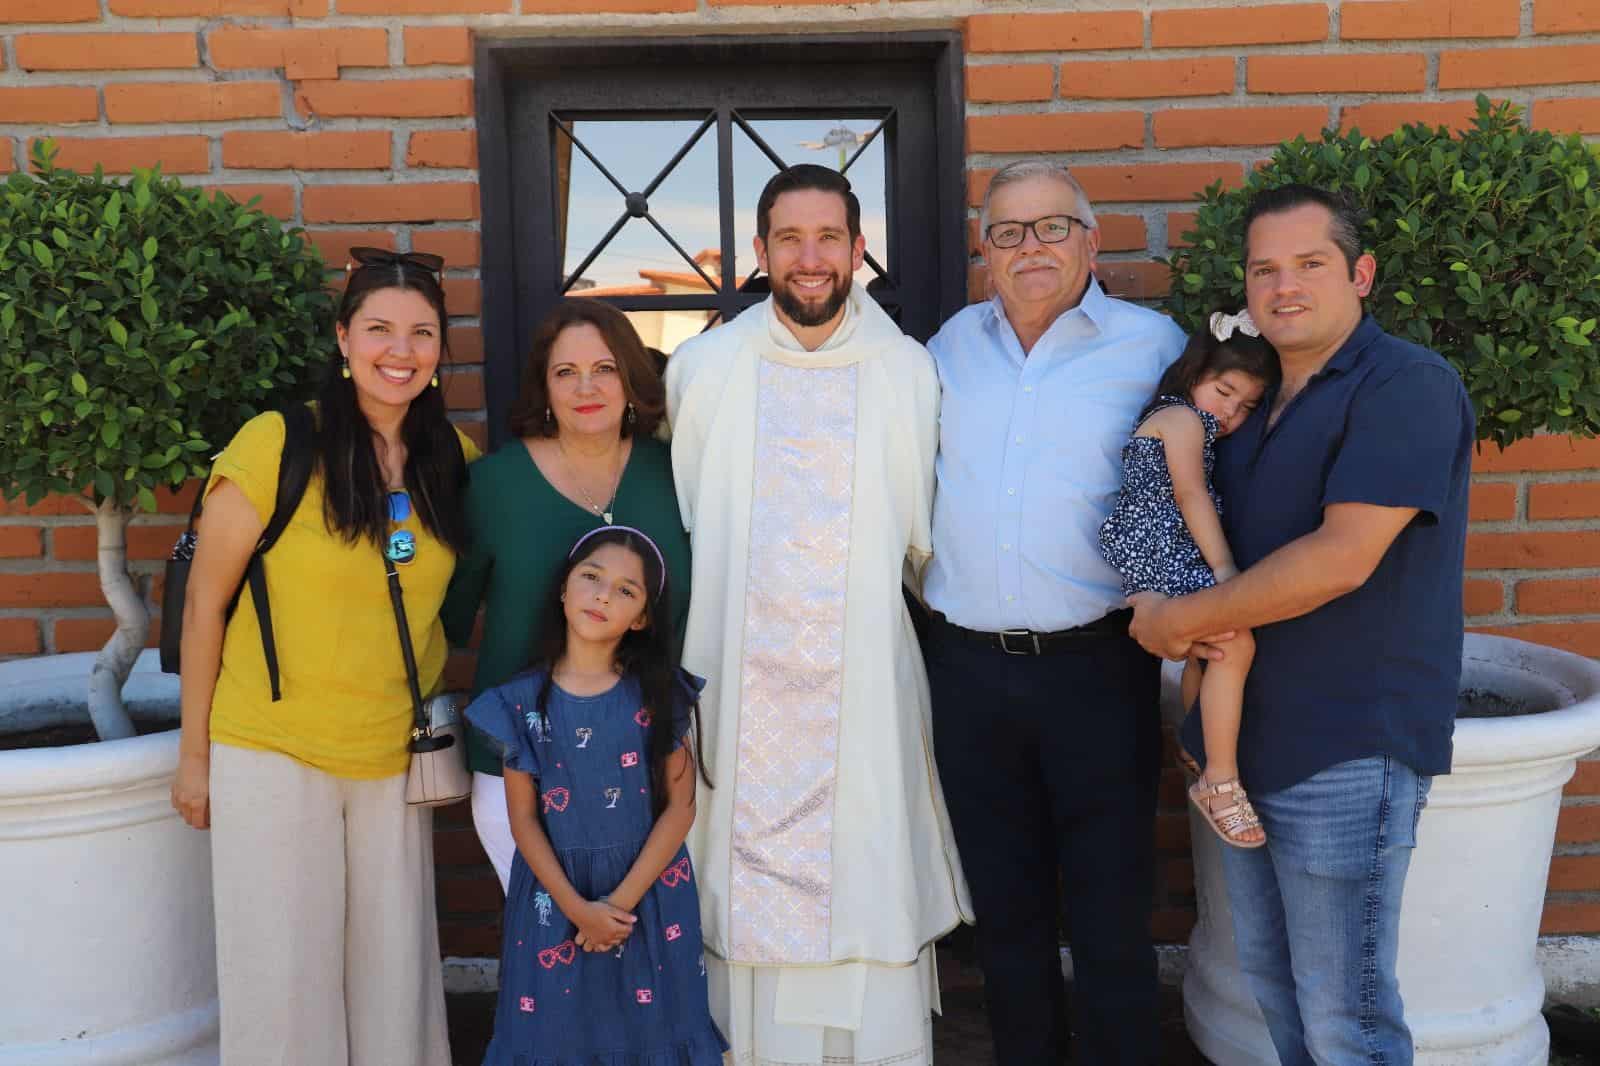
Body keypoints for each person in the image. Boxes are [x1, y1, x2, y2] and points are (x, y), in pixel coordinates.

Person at [1128, 184, 1474, 1065]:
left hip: (1349, 748)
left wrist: (1178, 624)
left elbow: (1341, 557)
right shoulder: (1247, 408)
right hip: (1246, 751)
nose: (1284, 287)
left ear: (1360, 273)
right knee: (1280, 997)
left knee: (1345, 1021)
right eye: (1264, 270)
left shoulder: (1405, 386)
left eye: (1310, 264)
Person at [665, 163, 970, 1065]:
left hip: (861, 692)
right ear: (759, 253)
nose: (810, 258)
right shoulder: (703, 369)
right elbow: (687, 522)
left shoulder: (908, 373)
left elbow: (920, 542)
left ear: (858, 248)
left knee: (862, 865)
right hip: (733, 676)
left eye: (828, 237)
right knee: (738, 883)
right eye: (789, 239)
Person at [171, 246, 477, 1065]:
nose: (399, 351)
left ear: (441, 350)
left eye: (421, 333)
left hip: (390, 755)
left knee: (395, 983)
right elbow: (205, 605)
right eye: (378, 328)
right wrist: (194, 756)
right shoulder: (278, 442)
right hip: (272, 749)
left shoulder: (456, 462)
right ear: (343, 340)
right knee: (283, 984)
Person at [921, 159, 1185, 1066]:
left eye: (1050, 227)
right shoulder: (949, 346)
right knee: (1005, 906)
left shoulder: (1155, 345)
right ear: (984, 249)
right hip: (964, 668)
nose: (1029, 247)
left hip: (1099, 666)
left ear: (1090, 238)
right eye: (1007, 231)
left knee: (1112, 904)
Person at [443, 299, 691, 892]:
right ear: (543, 387)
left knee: (642, 951)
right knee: (550, 952)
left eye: (605, 369)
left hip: (654, 763)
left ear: (631, 379)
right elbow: (445, 617)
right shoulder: (491, 485)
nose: (586, 387)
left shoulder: (680, 472)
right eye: (565, 372)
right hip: (522, 769)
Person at [463, 525, 728, 1064]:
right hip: (554, 903)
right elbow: (524, 822)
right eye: (591, 577)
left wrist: (616, 906)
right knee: (556, 1036)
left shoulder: (660, 695)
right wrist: (578, 910)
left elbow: (681, 808)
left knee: (649, 1033)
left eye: (627, 590)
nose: (604, 594)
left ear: (643, 618)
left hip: (647, 899)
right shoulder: (518, 703)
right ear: (563, 590)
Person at [1099, 310, 1280, 848]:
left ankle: (1199, 742)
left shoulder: (1186, 419)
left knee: (1208, 650)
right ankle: (1220, 779)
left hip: (1159, 545)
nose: (1231, 412)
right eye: (1224, 392)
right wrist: (1225, 573)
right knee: (1233, 641)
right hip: (1159, 546)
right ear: (1194, 371)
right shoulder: (1179, 419)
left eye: (1247, 406)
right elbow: (1190, 495)